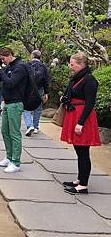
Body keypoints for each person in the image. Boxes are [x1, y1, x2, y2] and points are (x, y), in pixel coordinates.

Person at [60, 52, 101, 195]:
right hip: (74, 112)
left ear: (81, 64)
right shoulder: (78, 78)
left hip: (83, 116)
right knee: (79, 150)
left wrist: (81, 122)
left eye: (72, 64)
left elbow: (90, 103)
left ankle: (83, 185)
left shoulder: (89, 80)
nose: (70, 67)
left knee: (83, 151)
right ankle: (80, 179)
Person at [0, 47, 28, 173]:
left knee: (14, 133)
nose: (3, 61)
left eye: (3, 59)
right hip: (7, 103)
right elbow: (0, 80)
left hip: (16, 103)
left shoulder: (20, 67)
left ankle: (15, 162)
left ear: (10, 55)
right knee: (5, 131)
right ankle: (9, 157)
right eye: (0, 59)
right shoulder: (9, 67)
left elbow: (11, 83)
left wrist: (0, 70)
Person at [23, 50, 50, 136]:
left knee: (26, 108)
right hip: (39, 89)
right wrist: (46, 93)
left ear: (32, 55)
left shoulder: (27, 65)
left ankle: (29, 125)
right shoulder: (43, 67)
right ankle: (35, 127)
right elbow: (46, 81)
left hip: (29, 89)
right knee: (38, 109)